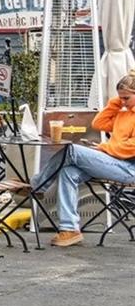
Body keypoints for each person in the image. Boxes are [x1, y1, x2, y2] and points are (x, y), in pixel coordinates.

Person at [40, 72, 135, 247]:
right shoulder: (123, 113)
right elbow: (98, 124)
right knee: (68, 171)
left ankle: (38, 185)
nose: (122, 102)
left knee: (72, 151)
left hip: (129, 169)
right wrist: (115, 102)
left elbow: (130, 148)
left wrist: (103, 148)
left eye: (126, 98)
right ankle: (69, 229)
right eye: (120, 98)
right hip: (112, 161)